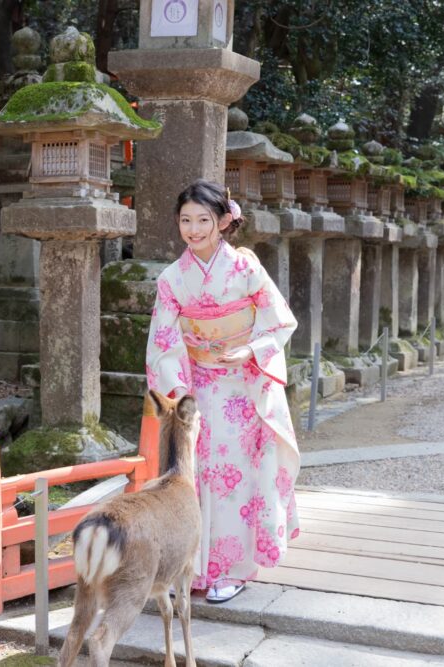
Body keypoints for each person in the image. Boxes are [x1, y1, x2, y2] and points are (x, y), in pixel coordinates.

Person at [145, 179, 300, 603]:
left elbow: (279, 319)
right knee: (193, 476)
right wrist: (180, 392)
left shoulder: (245, 269)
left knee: (233, 476)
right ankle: (188, 568)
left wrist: (250, 349)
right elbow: (163, 340)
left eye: (203, 220)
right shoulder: (172, 279)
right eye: (186, 221)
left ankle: (232, 568)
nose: (193, 230)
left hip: (242, 385)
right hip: (195, 386)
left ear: (224, 222)